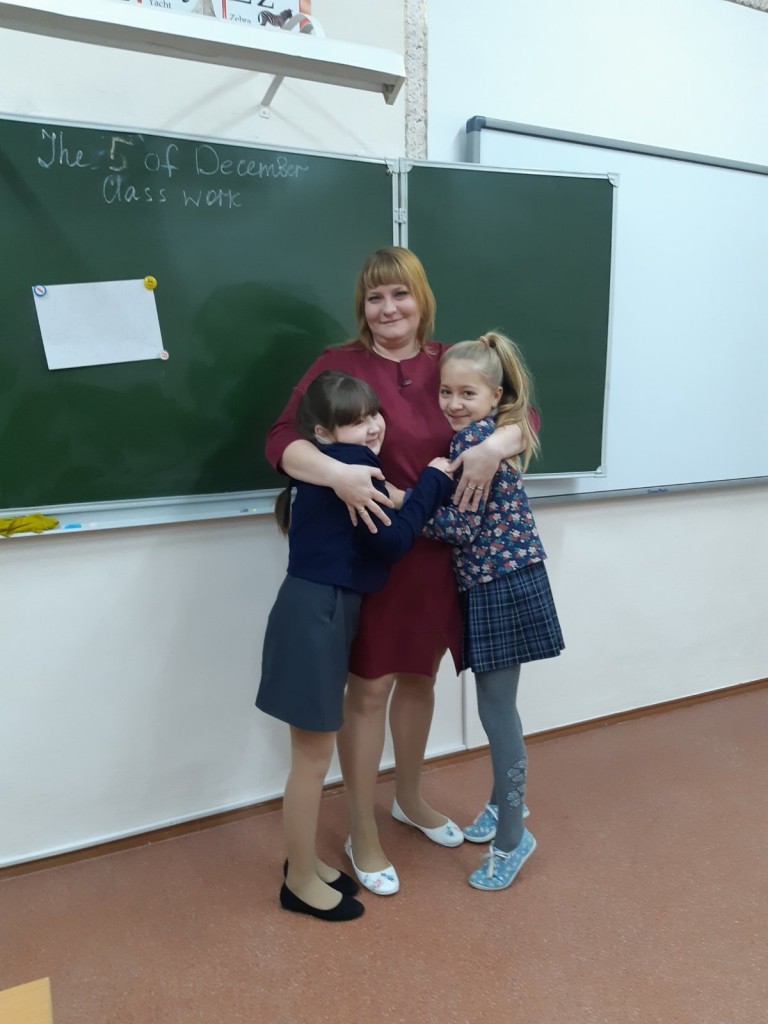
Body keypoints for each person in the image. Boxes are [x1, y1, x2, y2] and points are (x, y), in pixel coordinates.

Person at [265, 247, 526, 895]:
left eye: (400, 294)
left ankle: (409, 798)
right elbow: (282, 439)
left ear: (421, 298)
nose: (388, 308)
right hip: (374, 552)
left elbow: (523, 413)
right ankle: (362, 829)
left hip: (441, 557)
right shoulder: (339, 364)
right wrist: (340, 475)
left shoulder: (451, 361)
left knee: (419, 679)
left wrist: (495, 446)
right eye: (375, 296)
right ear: (363, 305)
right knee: (369, 689)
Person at [257, 370, 454, 920]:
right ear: (322, 433)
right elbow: (392, 543)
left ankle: (306, 863)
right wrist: (432, 482)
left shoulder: (333, 467)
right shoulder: (354, 468)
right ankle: (298, 880)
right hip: (316, 616)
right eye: (354, 421)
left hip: (319, 610)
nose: (371, 428)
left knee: (312, 752)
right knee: (311, 757)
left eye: (373, 415)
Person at [423, 332, 564, 891]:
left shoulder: (472, 444)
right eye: (446, 392)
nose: (454, 404)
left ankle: (512, 836)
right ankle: (504, 804)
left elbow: (460, 527)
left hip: (498, 585)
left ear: (494, 395)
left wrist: (407, 504)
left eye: (467, 394)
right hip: (506, 578)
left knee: (497, 710)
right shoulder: (489, 436)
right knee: (499, 706)